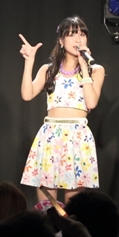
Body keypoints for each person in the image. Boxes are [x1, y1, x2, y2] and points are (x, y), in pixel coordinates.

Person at [19, 17, 105, 203]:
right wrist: (29, 61)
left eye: (82, 34)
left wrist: (84, 66)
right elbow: (27, 94)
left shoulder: (96, 70)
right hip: (51, 136)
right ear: (61, 40)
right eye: (72, 34)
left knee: (74, 207)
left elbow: (91, 103)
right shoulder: (49, 70)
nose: (78, 39)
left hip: (78, 137)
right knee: (47, 206)